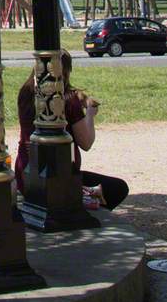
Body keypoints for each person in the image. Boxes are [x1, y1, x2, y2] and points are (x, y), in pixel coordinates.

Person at [15, 50, 128, 210]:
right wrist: (89, 114)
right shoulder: (66, 100)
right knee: (118, 188)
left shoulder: (25, 93)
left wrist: (80, 96)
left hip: (25, 175)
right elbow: (86, 142)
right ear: (66, 70)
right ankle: (86, 208)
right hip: (58, 179)